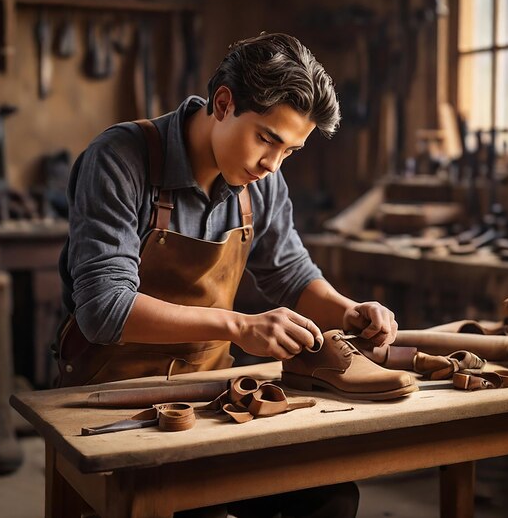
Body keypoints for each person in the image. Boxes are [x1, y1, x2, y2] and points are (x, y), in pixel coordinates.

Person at [57, 32, 398, 518]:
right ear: (222, 102)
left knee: (333, 496)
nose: (271, 165)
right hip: (109, 395)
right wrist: (240, 326)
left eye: (290, 152)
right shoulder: (119, 159)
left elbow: (290, 273)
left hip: (213, 392)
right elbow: (103, 310)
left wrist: (347, 310)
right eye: (266, 139)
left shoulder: (261, 180)